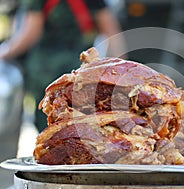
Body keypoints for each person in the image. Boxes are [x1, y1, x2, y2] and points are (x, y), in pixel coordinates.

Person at [0, 0, 126, 132]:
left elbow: (31, 33)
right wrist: (121, 71)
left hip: (46, 73)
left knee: (49, 124)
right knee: (80, 124)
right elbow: (111, 32)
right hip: (80, 74)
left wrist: (4, 52)